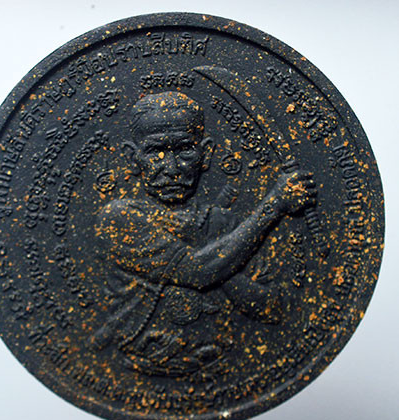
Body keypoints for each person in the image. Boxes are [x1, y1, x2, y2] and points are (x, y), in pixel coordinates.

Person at [91, 91, 316, 377]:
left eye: (185, 150)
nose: (171, 169)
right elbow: (195, 272)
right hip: (135, 370)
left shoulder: (223, 223)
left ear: (205, 154)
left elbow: (272, 309)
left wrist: (217, 255)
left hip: (225, 370)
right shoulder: (118, 218)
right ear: (132, 159)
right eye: (155, 152)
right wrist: (273, 206)